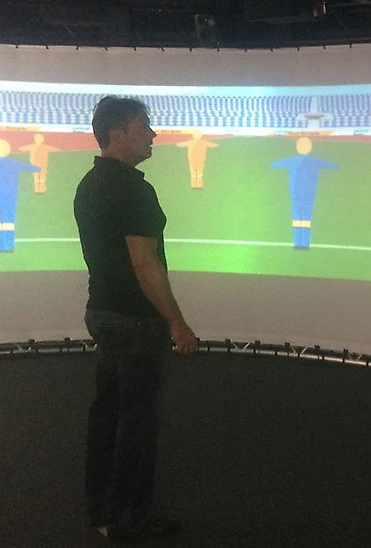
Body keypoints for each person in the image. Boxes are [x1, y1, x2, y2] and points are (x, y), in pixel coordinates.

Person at [73, 96, 198, 543]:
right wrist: (178, 324)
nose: (153, 134)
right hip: (135, 322)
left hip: (102, 314)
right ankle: (129, 518)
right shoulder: (133, 190)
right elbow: (145, 265)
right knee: (137, 425)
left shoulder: (89, 184)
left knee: (106, 414)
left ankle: (102, 511)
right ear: (118, 133)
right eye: (144, 126)